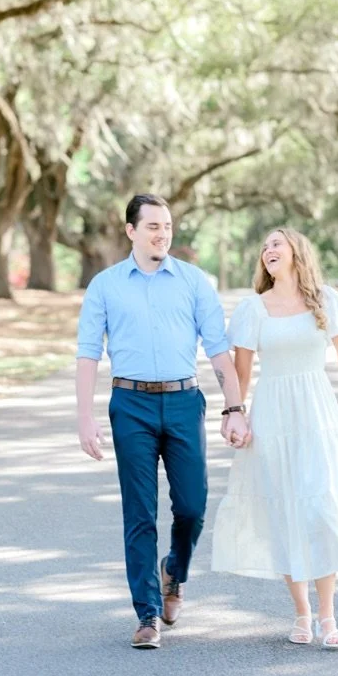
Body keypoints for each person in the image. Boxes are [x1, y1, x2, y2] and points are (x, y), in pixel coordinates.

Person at [76, 194, 250, 649]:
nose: (162, 234)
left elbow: (218, 350)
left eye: (167, 225)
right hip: (129, 403)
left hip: (183, 401)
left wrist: (235, 409)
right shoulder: (105, 286)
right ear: (131, 231)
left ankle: (174, 569)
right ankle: (147, 614)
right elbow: (88, 353)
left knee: (192, 506)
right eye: (153, 226)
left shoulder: (194, 282)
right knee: (140, 512)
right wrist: (85, 418)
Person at [211, 227, 338, 650]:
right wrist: (235, 416)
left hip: (317, 414)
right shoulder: (252, 308)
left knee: (321, 508)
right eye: (264, 246)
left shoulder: (326, 299)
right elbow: (242, 372)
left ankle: (328, 616)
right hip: (272, 416)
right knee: (284, 510)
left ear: (296, 251)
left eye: (276, 243)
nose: (268, 250)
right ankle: (301, 613)